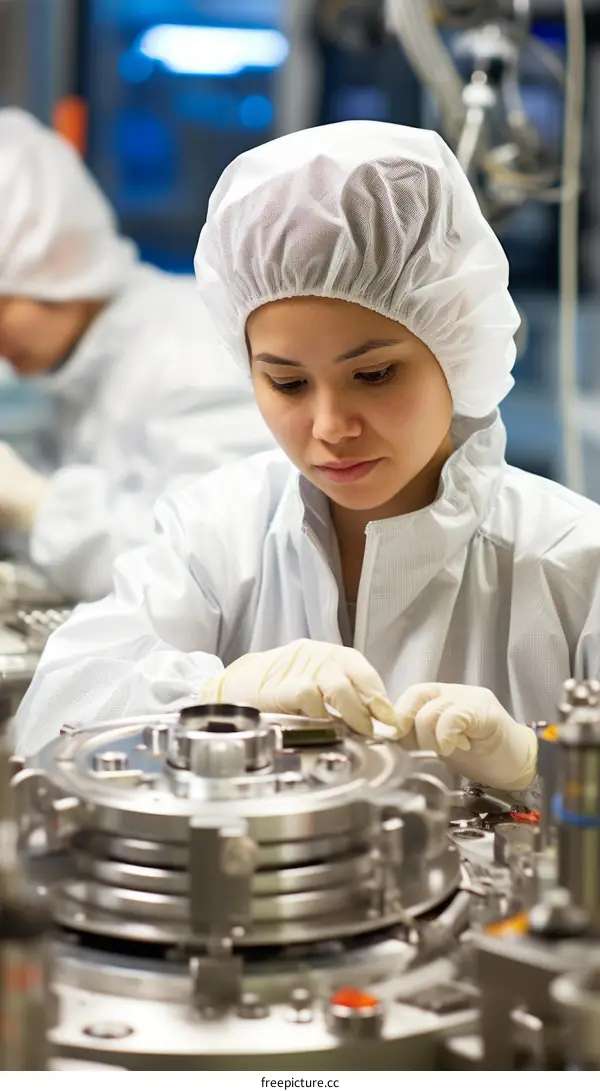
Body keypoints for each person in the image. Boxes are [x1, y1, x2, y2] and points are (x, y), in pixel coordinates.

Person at [13, 121, 600, 795]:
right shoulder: (218, 531)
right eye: (287, 382)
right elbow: (54, 708)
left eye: (375, 374)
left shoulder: (574, 561)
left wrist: (544, 764)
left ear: (457, 342)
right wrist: (218, 690)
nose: (329, 427)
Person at [0, 108, 273, 601]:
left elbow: (208, 571)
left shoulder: (189, 351)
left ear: (56, 267)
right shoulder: (85, 362)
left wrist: (37, 505)